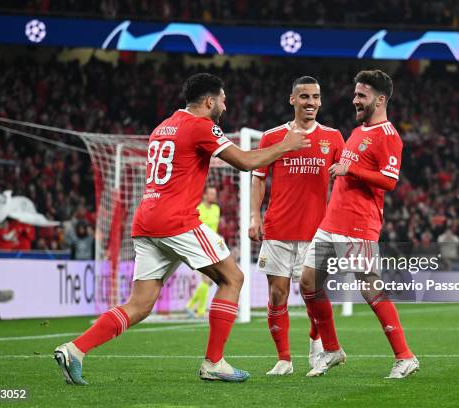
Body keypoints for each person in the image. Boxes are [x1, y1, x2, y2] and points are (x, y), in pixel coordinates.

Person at [54, 73, 310, 385]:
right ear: (210, 101)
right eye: (224, 100)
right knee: (233, 278)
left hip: (146, 219)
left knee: (140, 304)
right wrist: (286, 145)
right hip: (176, 220)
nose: (226, 107)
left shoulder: (163, 127)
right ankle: (214, 362)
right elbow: (245, 162)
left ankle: (75, 349)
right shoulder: (201, 126)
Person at [300, 70, 419, 379]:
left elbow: (389, 181)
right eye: (355, 94)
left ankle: (405, 356)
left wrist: (351, 170)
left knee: (370, 288)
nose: (355, 100)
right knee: (308, 283)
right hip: (331, 222)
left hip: (358, 224)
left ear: (380, 100)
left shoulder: (389, 136)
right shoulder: (358, 131)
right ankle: (332, 349)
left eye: (362, 96)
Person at [248, 76, 344, 375]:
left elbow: (344, 185)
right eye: (304, 97)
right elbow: (259, 178)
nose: (311, 102)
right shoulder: (272, 136)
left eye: (315, 97)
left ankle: (317, 344)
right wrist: (255, 216)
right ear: (292, 100)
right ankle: (284, 359)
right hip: (277, 228)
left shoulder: (334, 137)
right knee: (277, 294)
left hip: (318, 231)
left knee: (313, 296)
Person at [186, 186, 220, 318]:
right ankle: (200, 311)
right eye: (211, 194)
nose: (214, 196)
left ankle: (190, 306)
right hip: (200, 247)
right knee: (207, 280)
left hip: (213, 247)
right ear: (205, 195)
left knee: (209, 281)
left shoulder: (217, 209)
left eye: (215, 194)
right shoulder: (198, 209)